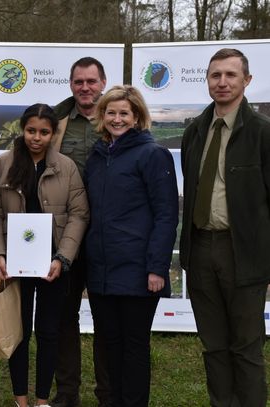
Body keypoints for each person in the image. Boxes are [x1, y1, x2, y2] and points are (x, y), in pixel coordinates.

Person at [0, 103, 90, 407]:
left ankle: (43, 400)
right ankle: (21, 399)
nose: (36, 137)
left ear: (53, 134)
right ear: (22, 129)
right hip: (13, 265)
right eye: (31, 130)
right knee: (18, 332)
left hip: (52, 264)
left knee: (48, 332)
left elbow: (79, 215)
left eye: (44, 132)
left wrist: (62, 258)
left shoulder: (66, 167)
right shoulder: (3, 165)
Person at [180, 48, 270, 406]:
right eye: (215, 75)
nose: (222, 82)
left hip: (244, 253)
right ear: (207, 81)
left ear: (246, 81)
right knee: (213, 346)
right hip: (201, 249)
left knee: (246, 348)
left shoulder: (262, 132)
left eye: (231, 75)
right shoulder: (195, 130)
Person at [84, 85, 178, 407]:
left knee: (134, 348)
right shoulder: (96, 158)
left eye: (124, 113)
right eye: (111, 112)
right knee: (110, 346)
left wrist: (156, 268)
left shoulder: (153, 155)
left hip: (138, 272)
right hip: (102, 273)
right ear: (102, 115)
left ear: (137, 116)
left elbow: (166, 215)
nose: (117, 118)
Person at [51, 57, 110, 407]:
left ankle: (107, 395)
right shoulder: (55, 120)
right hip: (64, 235)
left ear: (102, 82)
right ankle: (67, 395)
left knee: (106, 319)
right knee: (63, 317)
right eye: (78, 82)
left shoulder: (119, 117)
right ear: (71, 84)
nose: (85, 88)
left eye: (91, 81)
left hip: (106, 236)